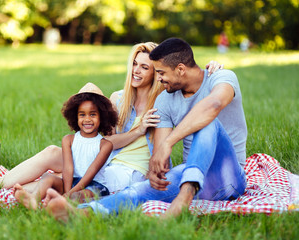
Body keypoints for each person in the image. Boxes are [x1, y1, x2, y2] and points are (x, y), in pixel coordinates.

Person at [0, 42, 223, 199]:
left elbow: (189, 83)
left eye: (145, 67)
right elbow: (107, 142)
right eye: (134, 64)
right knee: (55, 157)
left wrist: (211, 69)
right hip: (107, 159)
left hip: (128, 172)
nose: (136, 71)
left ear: (157, 72)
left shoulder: (164, 98)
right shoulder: (119, 99)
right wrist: (135, 129)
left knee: (56, 169)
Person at [42, 37, 247, 222]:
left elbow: (213, 106)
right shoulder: (165, 99)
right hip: (188, 175)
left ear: (181, 69)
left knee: (208, 122)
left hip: (229, 176)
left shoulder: (221, 77)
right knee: (136, 191)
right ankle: (81, 213)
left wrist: (168, 143)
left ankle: (183, 199)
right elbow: (159, 156)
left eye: (161, 73)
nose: (158, 79)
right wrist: (156, 172)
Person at [12, 82, 118, 208]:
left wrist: (69, 194)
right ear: (75, 116)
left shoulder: (105, 145)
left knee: (76, 196)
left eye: (93, 114)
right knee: (47, 177)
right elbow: (68, 168)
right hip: (71, 181)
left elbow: (91, 172)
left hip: (94, 186)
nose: (87, 119)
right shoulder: (68, 140)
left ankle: (60, 203)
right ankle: (33, 198)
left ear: (102, 117)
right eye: (82, 114)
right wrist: (67, 190)